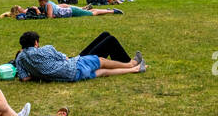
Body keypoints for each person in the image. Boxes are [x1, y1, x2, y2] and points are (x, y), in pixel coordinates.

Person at [14, 31, 146, 81]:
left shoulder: (20, 58)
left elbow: (25, 78)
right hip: (73, 65)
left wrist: (37, 73)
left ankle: (133, 67)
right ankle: (131, 64)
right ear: (36, 43)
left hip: (70, 71)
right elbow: (65, 59)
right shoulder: (46, 49)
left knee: (105, 36)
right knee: (109, 41)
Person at [36, 0, 118, 19]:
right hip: (70, 10)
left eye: (40, 2)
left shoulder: (49, 5)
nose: (39, 4)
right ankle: (108, 10)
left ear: (43, 1)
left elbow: (49, 17)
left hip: (72, 11)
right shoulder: (49, 3)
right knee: (91, 11)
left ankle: (112, 11)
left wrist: (39, 12)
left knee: (92, 13)